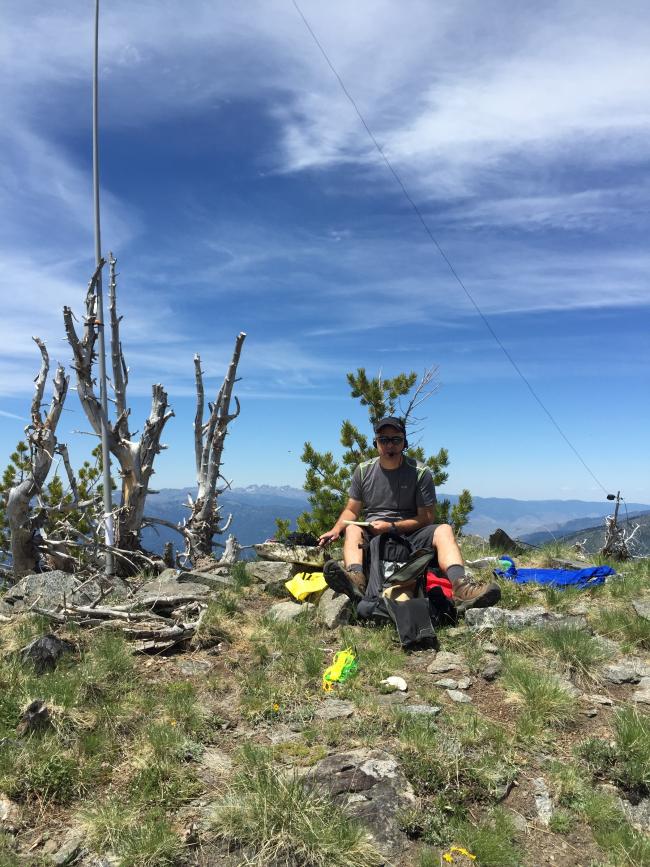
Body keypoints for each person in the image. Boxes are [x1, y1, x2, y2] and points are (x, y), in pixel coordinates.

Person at [318, 416, 501, 610]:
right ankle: (356, 579)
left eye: (396, 440)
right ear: (376, 443)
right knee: (353, 529)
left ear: (404, 443)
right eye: (383, 440)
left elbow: (427, 517)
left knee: (444, 530)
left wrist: (392, 527)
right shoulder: (363, 471)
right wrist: (336, 530)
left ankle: (462, 588)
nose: (390, 445)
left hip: (411, 534)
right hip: (373, 534)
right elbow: (351, 510)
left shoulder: (420, 473)